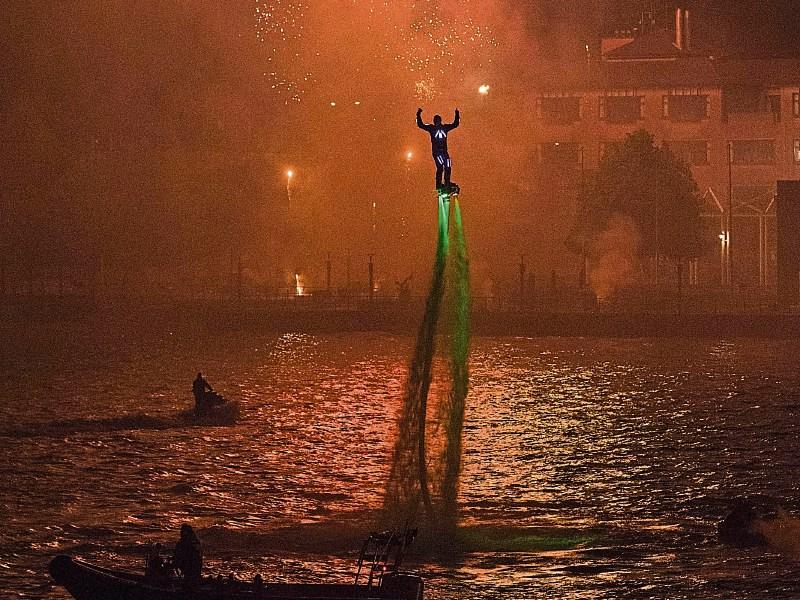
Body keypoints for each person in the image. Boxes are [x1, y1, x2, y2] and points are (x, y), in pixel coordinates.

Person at [416, 107, 460, 191]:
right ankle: (439, 184)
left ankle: (447, 182)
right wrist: (418, 114)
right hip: (437, 152)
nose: (436, 122)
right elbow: (420, 124)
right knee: (440, 167)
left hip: (444, 151)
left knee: (448, 165)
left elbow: (455, 124)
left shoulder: (444, 128)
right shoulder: (431, 128)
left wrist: (457, 114)